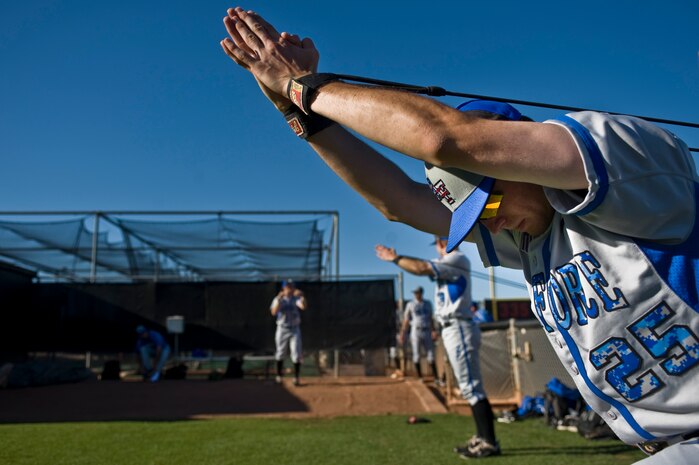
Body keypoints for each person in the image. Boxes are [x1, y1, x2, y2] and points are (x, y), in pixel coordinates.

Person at [220, 8, 699, 462]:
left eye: (487, 203)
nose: (488, 223)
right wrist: (301, 115)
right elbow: (398, 202)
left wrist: (301, 86)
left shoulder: (623, 155)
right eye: (474, 216)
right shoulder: (530, 235)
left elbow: (444, 139)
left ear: (512, 153)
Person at [377, 238, 498, 455]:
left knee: (471, 386)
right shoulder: (450, 262)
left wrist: (395, 258)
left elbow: (422, 267)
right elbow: (424, 267)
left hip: (459, 326)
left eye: (439, 243)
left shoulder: (456, 258)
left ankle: (489, 442)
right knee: (469, 386)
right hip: (452, 327)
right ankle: (482, 437)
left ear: (444, 243)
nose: (437, 248)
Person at [399, 286, 440, 384]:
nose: (416, 294)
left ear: (422, 293)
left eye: (418, 292)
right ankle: (420, 377)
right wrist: (403, 333)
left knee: (431, 355)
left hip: (426, 330)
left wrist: (433, 330)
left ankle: (436, 378)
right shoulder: (410, 304)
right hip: (415, 330)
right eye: (415, 293)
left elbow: (431, 318)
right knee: (416, 354)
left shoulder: (428, 303)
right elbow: (406, 320)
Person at [270, 279, 306, 386]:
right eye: (287, 287)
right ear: (283, 288)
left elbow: (303, 306)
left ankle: (296, 378)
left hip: (294, 328)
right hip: (282, 328)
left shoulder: (297, 299)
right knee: (280, 352)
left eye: (291, 287)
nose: (289, 289)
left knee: (296, 352)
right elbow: (273, 312)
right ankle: (279, 377)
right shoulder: (278, 299)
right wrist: (279, 299)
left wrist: (302, 296)